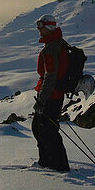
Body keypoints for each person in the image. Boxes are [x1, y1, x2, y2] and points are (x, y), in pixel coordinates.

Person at [31, 14, 70, 172]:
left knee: (45, 131)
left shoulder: (50, 48)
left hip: (50, 96)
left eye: (41, 27)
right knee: (44, 129)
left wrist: (41, 100)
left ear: (48, 27)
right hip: (56, 94)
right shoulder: (60, 43)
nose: (39, 31)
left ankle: (56, 166)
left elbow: (50, 76)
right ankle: (49, 162)